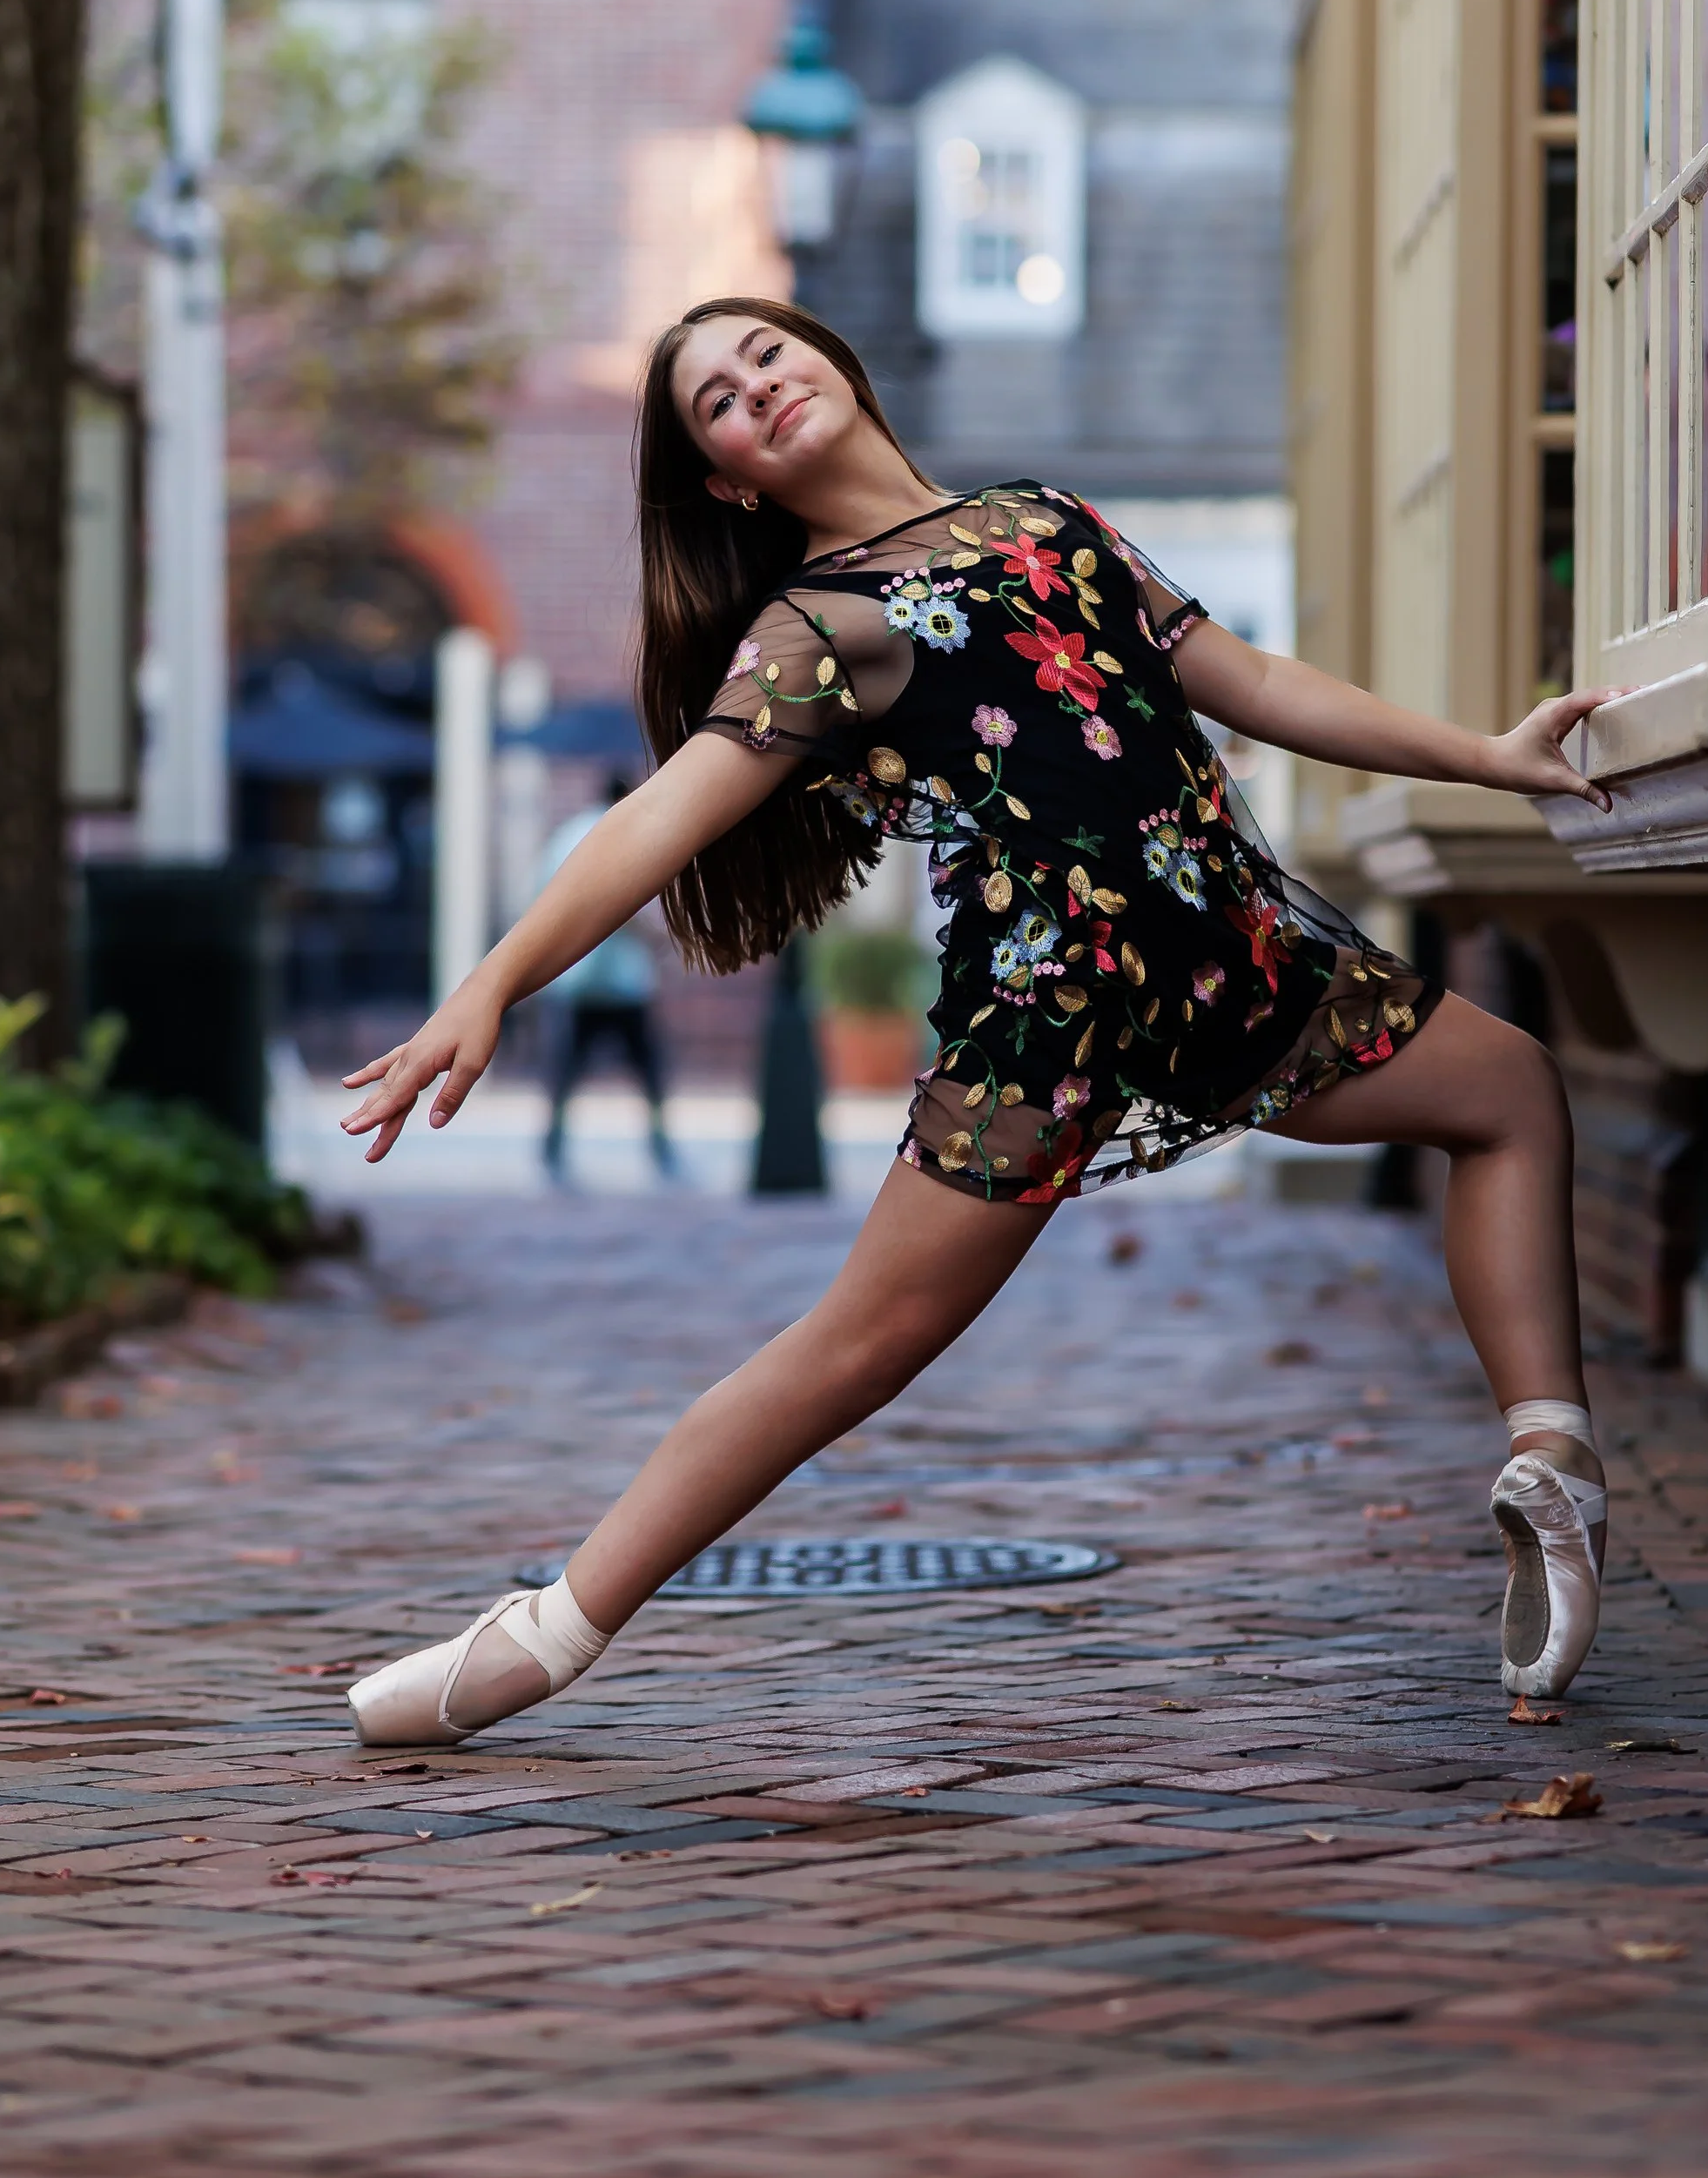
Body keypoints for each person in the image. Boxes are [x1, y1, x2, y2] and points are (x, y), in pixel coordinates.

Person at [341, 299, 1618, 1748]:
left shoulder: (1048, 519)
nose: (755, 390)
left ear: (832, 358)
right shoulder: (825, 623)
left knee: (1510, 1092)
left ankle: (1551, 1462)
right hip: (1054, 1003)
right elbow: (665, 814)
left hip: (1230, 955)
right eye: (717, 404)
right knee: (857, 1344)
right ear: (730, 481)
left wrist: (1489, 760)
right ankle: (542, 1639)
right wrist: (493, 982)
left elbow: (1252, 683)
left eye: (764, 356)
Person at [533, 782, 679, 1186]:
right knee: (649, 1072)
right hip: (621, 983)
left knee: (565, 1073)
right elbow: (622, 902)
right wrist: (655, 940)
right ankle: (662, 1152)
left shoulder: (565, 835)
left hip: (575, 978)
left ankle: (552, 1153)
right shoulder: (622, 831)